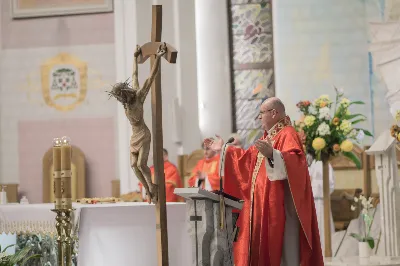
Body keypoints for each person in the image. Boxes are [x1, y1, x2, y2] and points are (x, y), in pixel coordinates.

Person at [205, 97, 323, 266]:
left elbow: (296, 162)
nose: (259, 117)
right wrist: (224, 149)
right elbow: (245, 160)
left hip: (281, 208)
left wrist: (273, 155)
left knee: (285, 251)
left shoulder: (287, 133)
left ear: (274, 113)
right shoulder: (269, 138)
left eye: (261, 113)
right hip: (264, 207)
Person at [308, 155, 335, 252]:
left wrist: (313, 185)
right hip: (306, 204)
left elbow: (330, 184)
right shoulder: (304, 163)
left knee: (322, 232)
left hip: (321, 202)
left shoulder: (323, 164)